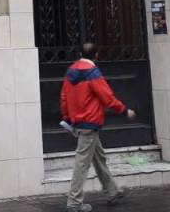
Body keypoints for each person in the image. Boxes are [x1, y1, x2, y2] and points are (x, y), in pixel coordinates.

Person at [60, 42, 134, 212]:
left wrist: (67, 119)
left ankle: (112, 191)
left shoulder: (70, 71)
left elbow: (64, 97)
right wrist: (124, 111)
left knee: (98, 156)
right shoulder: (93, 73)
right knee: (82, 163)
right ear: (96, 55)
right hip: (90, 122)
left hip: (79, 122)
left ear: (79, 54)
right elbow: (107, 97)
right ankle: (74, 202)